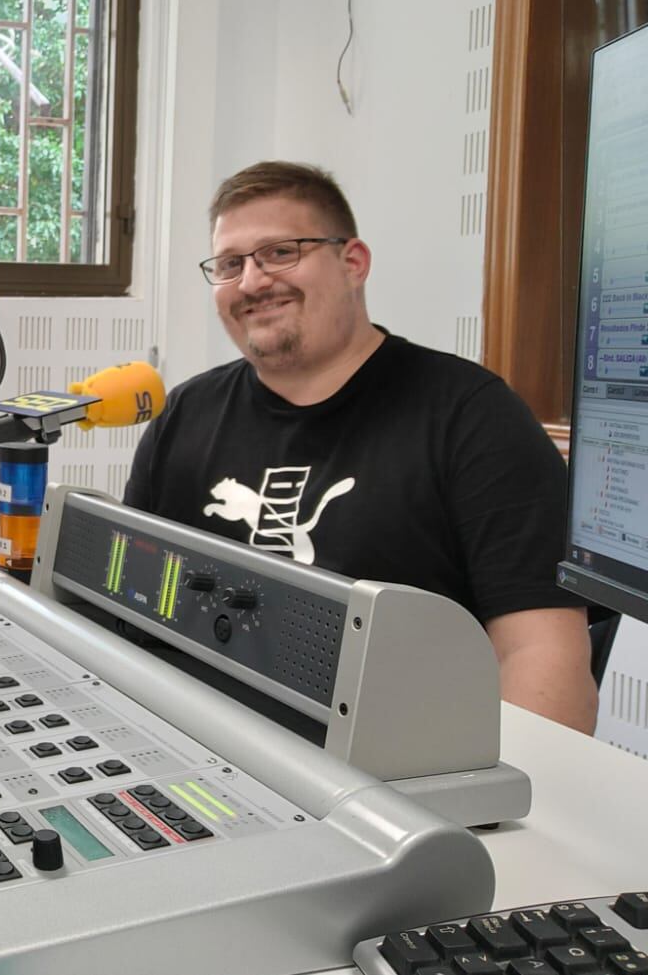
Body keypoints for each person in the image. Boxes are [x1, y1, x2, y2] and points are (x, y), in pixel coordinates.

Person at [125, 160, 598, 733]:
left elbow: (542, 658)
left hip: (392, 783)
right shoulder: (184, 415)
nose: (251, 282)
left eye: (280, 252)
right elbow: (129, 614)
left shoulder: (473, 417)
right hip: (202, 763)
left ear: (353, 263)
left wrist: (492, 810)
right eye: (230, 264)